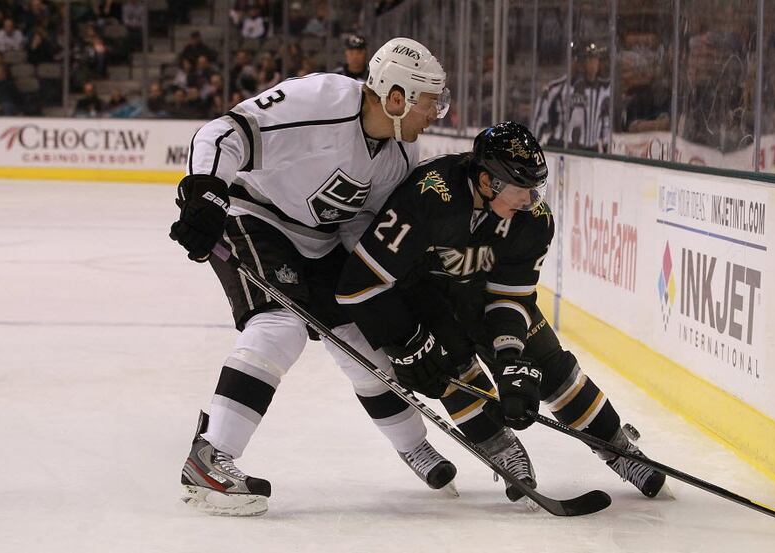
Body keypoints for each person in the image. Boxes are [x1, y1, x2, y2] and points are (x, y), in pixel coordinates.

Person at [170, 37, 453, 517]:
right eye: (431, 102)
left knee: (359, 338)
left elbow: (362, 226)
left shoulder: (401, 156)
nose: (437, 113)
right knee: (280, 325)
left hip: (321, 238)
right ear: (397, 97)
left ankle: (413, 443)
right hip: (253, 214)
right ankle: (210, 457)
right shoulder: (320, 101)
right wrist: (205, 194)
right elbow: (223, 132)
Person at [336, 121, 667, 500]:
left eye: (535, 187)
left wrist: (511, 357)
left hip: (480, 296)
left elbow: (511, 296)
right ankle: (503, 452)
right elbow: (358, 283)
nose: (530, 200)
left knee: (549, 365)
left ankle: (620, 449)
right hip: (426, 296)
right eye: (521, 187)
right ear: (486, 181)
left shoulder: (534, 222)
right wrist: (406, 342)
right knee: (450, 370)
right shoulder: (429, 196)